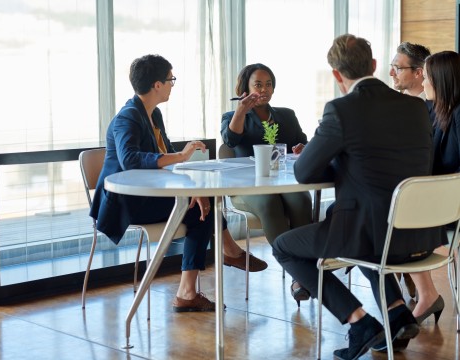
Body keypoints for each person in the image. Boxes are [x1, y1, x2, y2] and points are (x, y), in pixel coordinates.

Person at [272, 34, 447, 359]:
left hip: (376, 239)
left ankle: (359, 322)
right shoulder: (416, 107)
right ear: (375, 66)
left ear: (337, 75)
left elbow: (304, 173)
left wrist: (335, 159)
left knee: (284, 247)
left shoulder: (340, 109)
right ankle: (396, 314)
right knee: (358, 223)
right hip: (421, 237)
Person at [90, 54, 267, 313]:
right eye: (171, 79)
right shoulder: (127, 117)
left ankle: (195, 285)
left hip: (149, 196)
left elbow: (166, 161)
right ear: (157, 84)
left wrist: (191, 189)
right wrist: (182, 157)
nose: (173, 84)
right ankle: (216, 264)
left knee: (203, 204)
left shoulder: (153, 114)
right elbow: (130, 159)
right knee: (201, 210)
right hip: (126, 202)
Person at [220, 63, 313, 306]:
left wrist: (302, 149)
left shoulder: (286, 115)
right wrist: (241, 110)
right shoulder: (232, 117)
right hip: (247, 188)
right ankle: (299, 275)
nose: (264, 89)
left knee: (301, 199)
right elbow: (230, 140)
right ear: (245, 88)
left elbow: (303, 143)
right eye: (258, 84)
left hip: (282, 182)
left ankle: (303, 268)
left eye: (268, 84)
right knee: (270, 203)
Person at [409, 50, 460, 324]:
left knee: (397, 218)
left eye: (426, 77)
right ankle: (422, 294)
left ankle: (424, 295)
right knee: (392, 212)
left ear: (441, 81)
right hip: (437, 198)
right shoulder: (435, 110)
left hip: (451, 203)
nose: (423, 83)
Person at [389, 41, 431, 300]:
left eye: (397, 67)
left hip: (422, 194)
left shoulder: (435, 110)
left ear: (418, 73)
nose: (391, 72)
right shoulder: (391, 107)